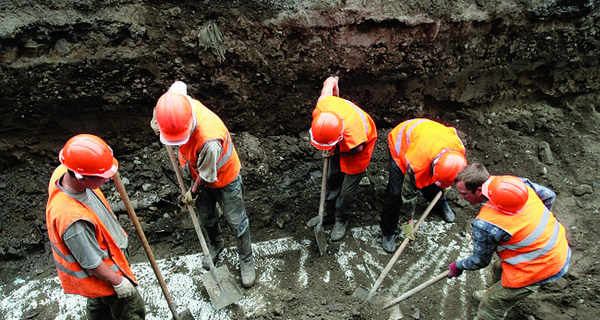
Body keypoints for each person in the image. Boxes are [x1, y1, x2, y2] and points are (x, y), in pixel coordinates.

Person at [151, 81, 255, 288]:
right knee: (206, 217)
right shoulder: (173, 106)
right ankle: (216, 246)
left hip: (224, 177)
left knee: (236, 222)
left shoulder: (209, 140)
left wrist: (193, 192)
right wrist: (160, 127)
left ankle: (246, 260)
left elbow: (206, 176)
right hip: (196, 169)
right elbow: (177, 87)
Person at [448, 163, 571, 320]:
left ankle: (494, 300)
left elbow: (479, 261)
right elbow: (549, 196)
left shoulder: (486, 224)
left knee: (490, 303)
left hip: (543, 266)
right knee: (498, 268)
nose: (461, 198)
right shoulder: (515, 185)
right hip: (556, 243)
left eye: (464, 194)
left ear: (479, 190)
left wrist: (458, 266)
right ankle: (495, 291)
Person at [45, 134, 145, 320]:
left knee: (99, 306)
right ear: (82, 178)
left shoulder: (64, 172)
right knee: (132, 310)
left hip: (109, 256)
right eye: (102, 177)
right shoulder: (74, 221)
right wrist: (118, 282)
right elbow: (91, 263)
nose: (107, 180)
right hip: (107, 271)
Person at [306, 76, 377, 242]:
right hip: (339, 143)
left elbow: (356, 149)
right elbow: (328, 84)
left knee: (347, 192)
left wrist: (335, 153)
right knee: (332, 178)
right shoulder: (323, 106)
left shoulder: (354, 135)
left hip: (358, 152)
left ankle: (340, 219)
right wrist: (333, 81)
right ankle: (327, 214)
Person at [380, 118, 467, 253]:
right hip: (401, 143)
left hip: (428, 138)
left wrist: (446, 184)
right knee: (396, 193)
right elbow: (408, 195)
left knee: (433, 185)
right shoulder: (418, 165)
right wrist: (410, 222)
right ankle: (388, 231)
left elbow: (450, 174)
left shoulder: (458, 154)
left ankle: (440, 204)